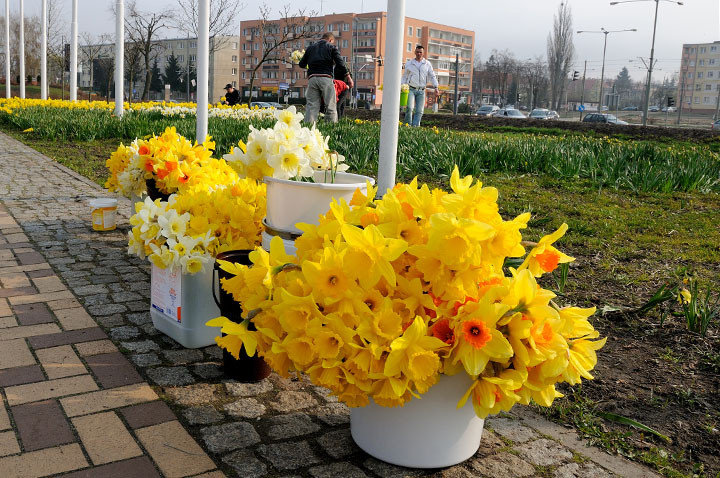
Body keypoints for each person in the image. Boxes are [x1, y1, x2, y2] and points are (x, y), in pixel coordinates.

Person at [299, 32, 353, 123]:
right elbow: (341, 63)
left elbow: (301, 64)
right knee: (330, 106)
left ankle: (309, 127)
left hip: (312, 79)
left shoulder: (310, 48)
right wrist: (348, 77)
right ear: (330, 40)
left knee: (312, 106)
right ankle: (330, 127)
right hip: (326, 78)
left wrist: (312, 65)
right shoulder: (331, 47)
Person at [401, 45, 439, 127]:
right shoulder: (409, 63)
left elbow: (432, 76)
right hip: (411, 89)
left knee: (419, 110)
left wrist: (436, 87)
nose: (419, 54)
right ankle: (407, 124)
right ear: (415, 52)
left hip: (421, 90)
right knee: (410, 108)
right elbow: (405, 76)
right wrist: (402, 86)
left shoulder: (427, 64)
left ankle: (415, 126)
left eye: (420, 52)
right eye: (417, 52)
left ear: (423, 53)